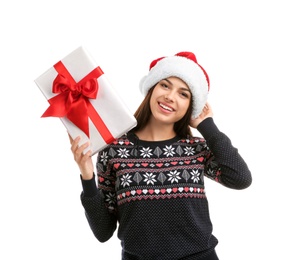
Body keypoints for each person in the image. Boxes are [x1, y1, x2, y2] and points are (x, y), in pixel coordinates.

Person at [69, 51, 252, 260]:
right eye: (165, 85)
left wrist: (207, 126)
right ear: (152, 88)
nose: (170, 96)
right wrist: (87, 176)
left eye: (183, 94)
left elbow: (240, 178)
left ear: (191, 107)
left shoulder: (195, 148)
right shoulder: (114, 150)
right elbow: (103, 232)